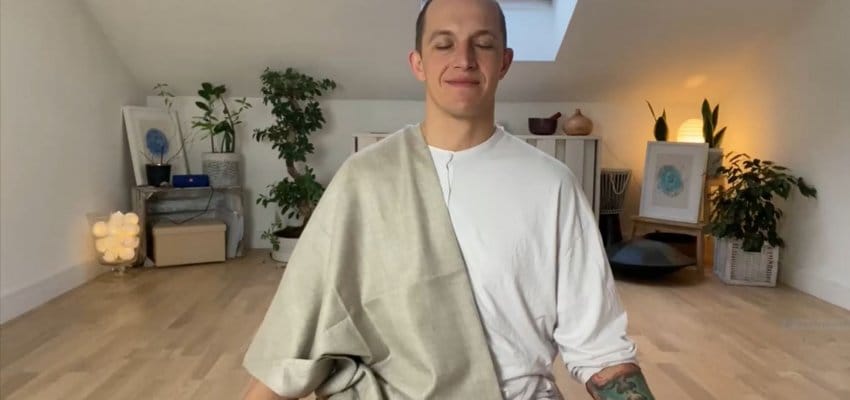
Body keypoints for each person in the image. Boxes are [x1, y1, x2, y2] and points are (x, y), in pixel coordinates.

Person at [242, 0, 656, 399]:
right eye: (444, 44)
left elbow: (600, 350)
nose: (464, 59)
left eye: (483, 44)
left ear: (504, 62)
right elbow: (295, 334)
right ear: (418, 63)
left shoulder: (552, 185)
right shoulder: (364, 179)